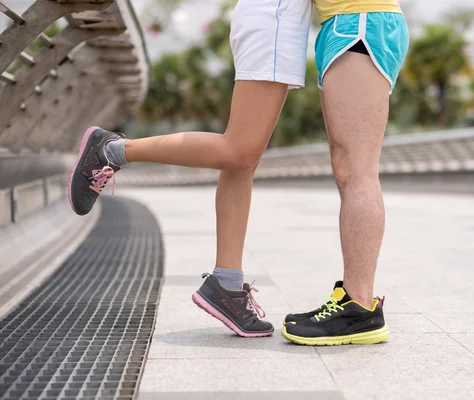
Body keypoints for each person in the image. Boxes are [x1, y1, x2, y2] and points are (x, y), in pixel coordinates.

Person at [68, 0, 312, 338]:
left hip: (276, 19)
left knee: (243, 158)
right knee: (240, 150)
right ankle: (112, 151)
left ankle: (227, 283)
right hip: (274, 18)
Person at [280, 2, 409, 345]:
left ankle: (360, 307)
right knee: (348, 169)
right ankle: (354, 300)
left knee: (358, 171)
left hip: (358, 23)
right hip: (348, 24)